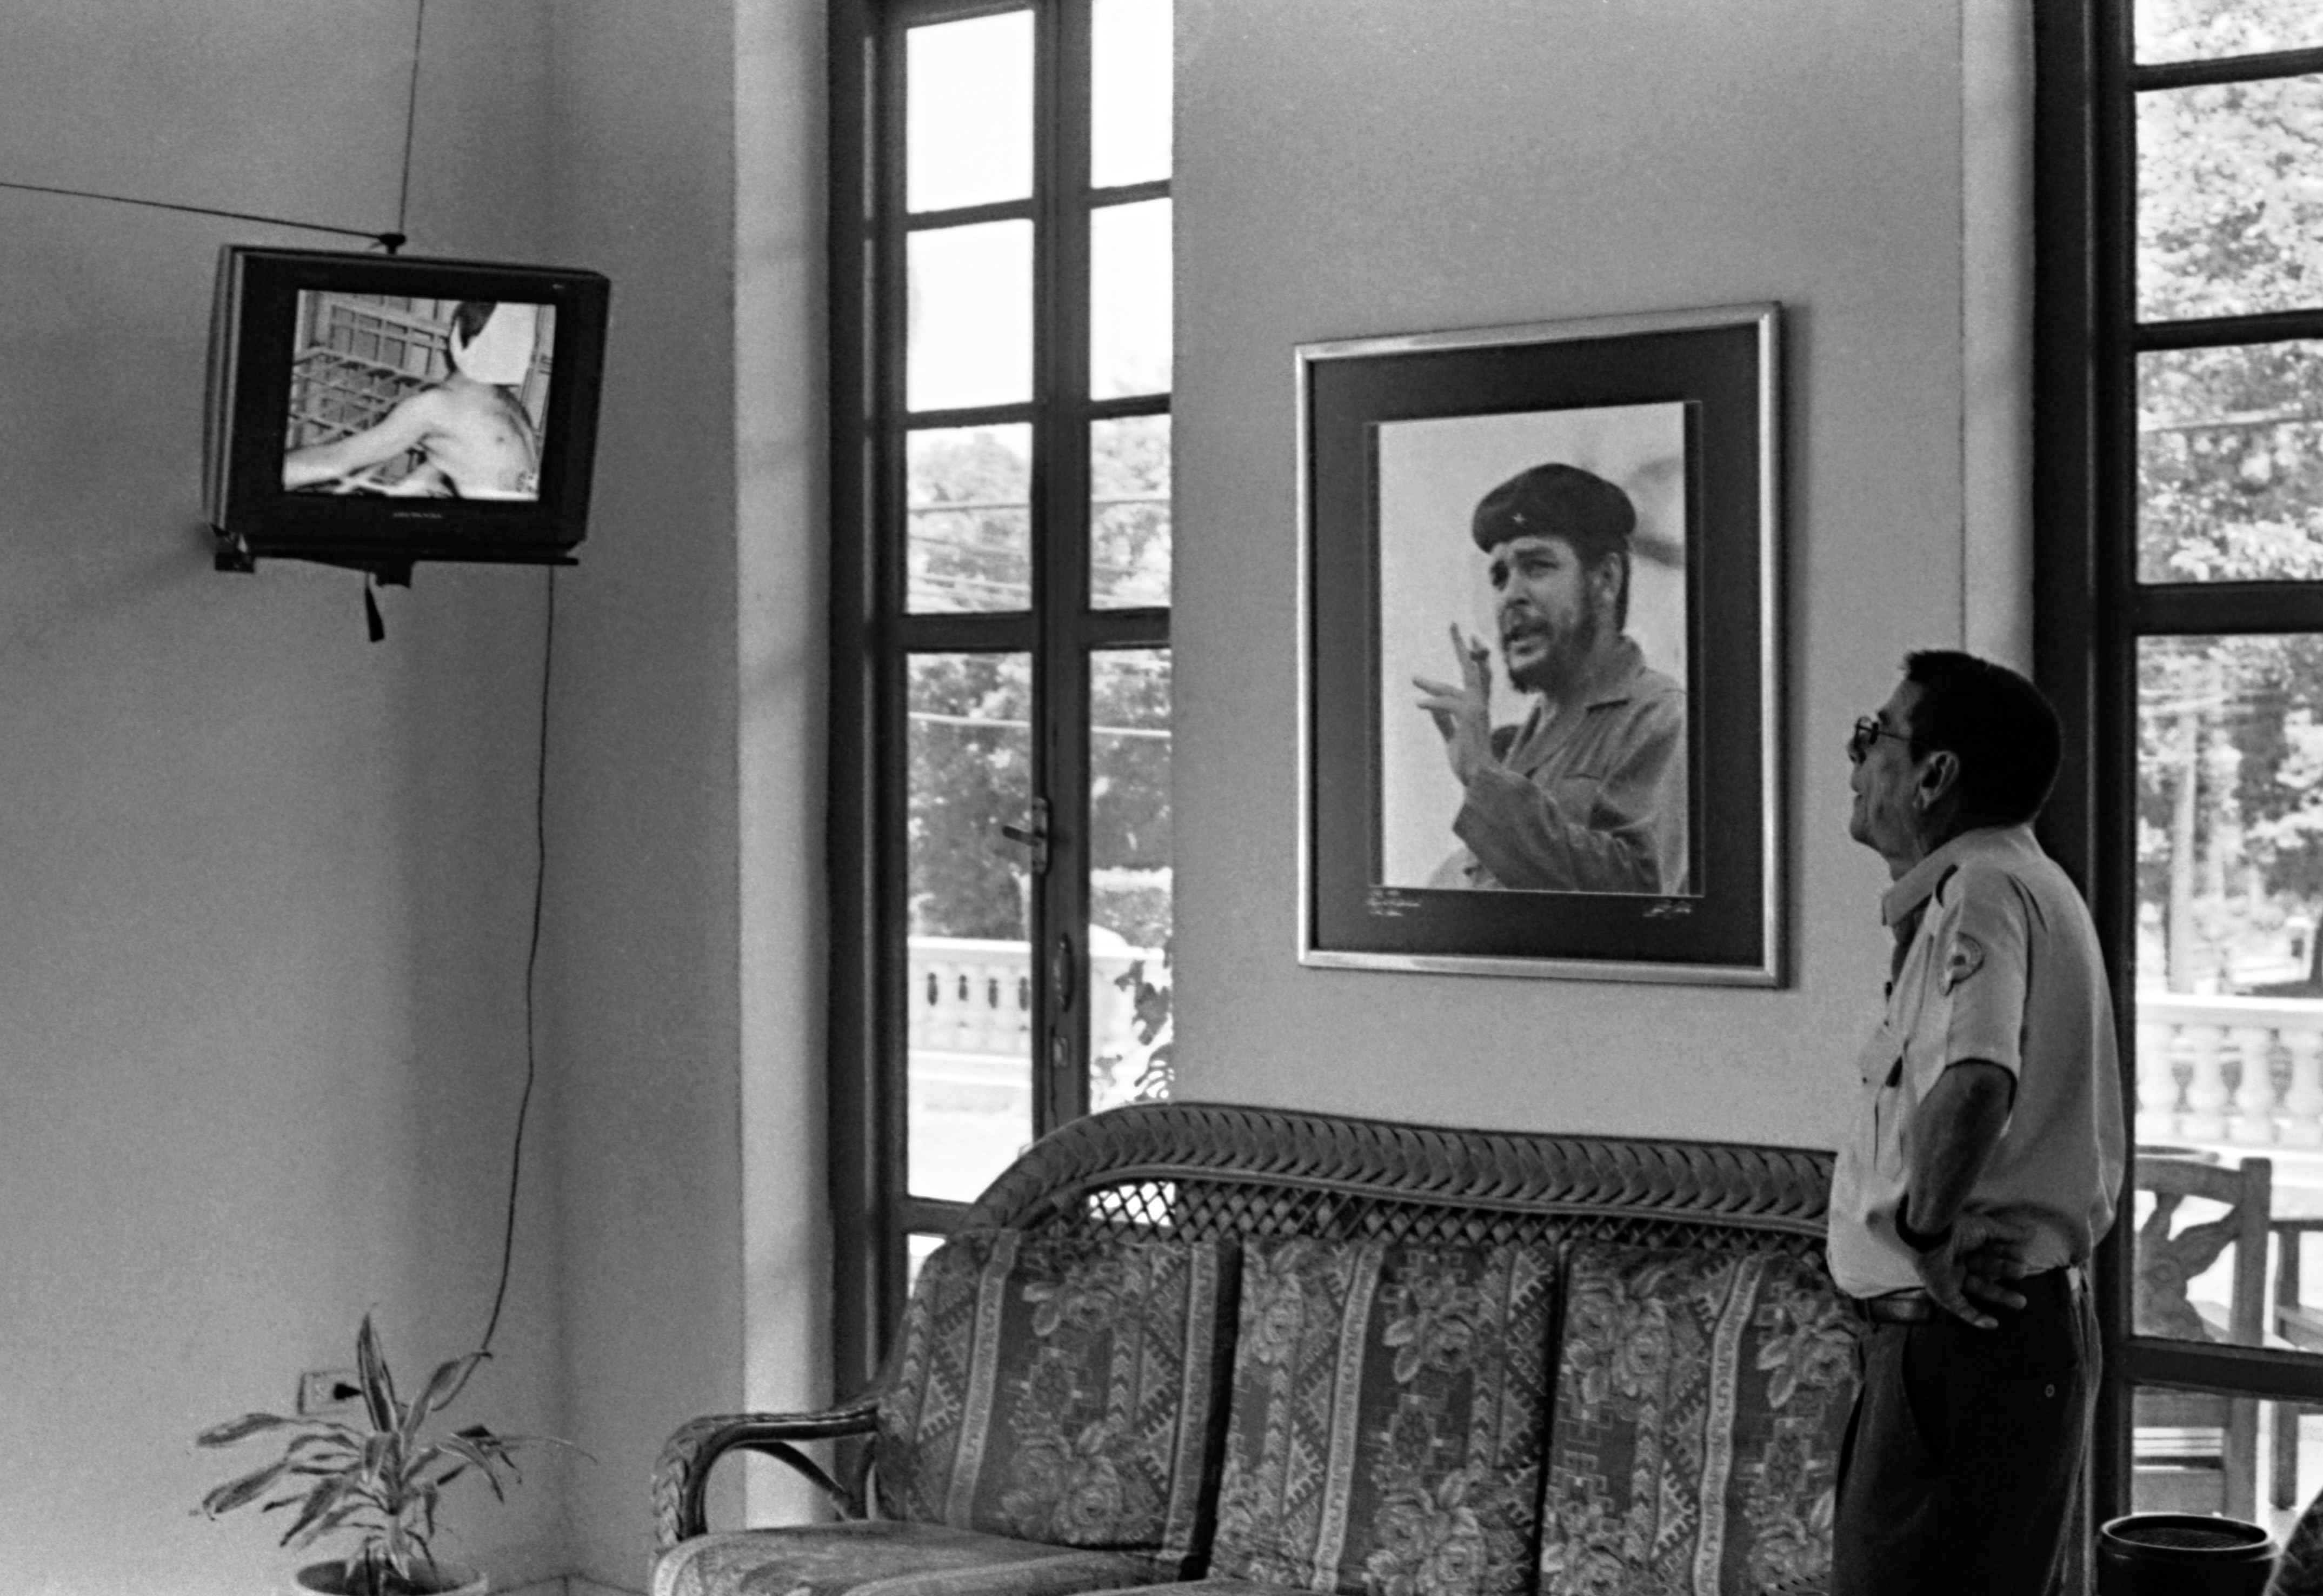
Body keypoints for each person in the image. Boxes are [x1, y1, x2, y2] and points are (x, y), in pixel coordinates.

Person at [1827, 649, 2126, 1596]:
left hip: (1961, 1338)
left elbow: (1973, 1083)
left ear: (1935, 774)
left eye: (1873, 736)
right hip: (1983, 1338)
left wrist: (1923, 1234)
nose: (1855, 757)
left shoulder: (1984, 894)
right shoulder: (2016, 884)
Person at [1410, 461, 1687, 894]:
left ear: (1605, 580)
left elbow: (1640, 893)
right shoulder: (1518, 743)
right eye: (1499, 577)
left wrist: (1483, 776)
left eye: (1536, 566)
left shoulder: (1662, 717)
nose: (1510, 596)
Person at [283, 301, 541, 500]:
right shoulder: (437, 406)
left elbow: (467, 443)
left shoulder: (503, 399)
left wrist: (424, 475)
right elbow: (334, 462)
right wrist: (257, 479)